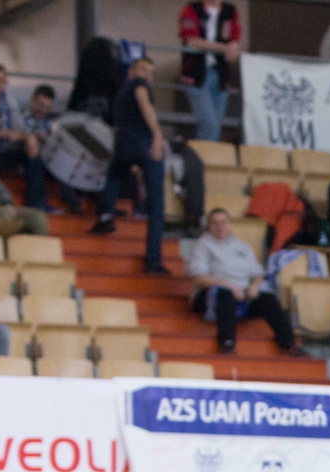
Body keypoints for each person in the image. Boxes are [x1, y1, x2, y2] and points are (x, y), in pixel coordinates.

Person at [90, 55, 166, 272]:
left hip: (123, 145)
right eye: (143, 70)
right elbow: (145, 105)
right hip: (145, 144)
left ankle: (105, 216)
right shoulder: (139, 85)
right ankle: (153, 260)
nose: (147, 76)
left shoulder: (119, 96)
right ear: (131, 72)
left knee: (113, 174)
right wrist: (158, 136)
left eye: (150, 72)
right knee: (156, 204)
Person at [186, 208, 297, 354]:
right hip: (212, 294)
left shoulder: (243, 247)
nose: (220, 226)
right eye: (215, 223)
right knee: (225, 294)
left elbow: (257, 273)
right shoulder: (202, 245)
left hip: (242, 294)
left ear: (230, 225)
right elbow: (200, 278)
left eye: (223, 222)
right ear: (209, 226)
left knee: (269, 299)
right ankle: (227, 344)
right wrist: (229, 286)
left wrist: (254, 286)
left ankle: (289, 344)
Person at [0, 66, 47, 212]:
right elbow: (9, 133)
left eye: (0, 81)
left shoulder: (9, 100)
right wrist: (4, 134)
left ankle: (35, 206)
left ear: (5, 82)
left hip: (2, 151)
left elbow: (20, 129)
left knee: (33, 152)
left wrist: (29, 137)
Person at [177, 0, 240, 143]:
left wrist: (233, 46)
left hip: (221, 76)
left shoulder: (230, 11)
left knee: (215, 127)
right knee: (209, 125)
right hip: (196, 75)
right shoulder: (191, 9)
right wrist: (224, 48)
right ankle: (203, 162)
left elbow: (235, 39)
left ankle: (205, 160)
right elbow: (192, 41)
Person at [22, 85, 75, 214]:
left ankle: (73, 202)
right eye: (40, 105)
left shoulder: (52, 125)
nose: (42, 110)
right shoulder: (21, 119)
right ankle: (39, 204)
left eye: (47, 107)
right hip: (26, 157)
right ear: (32, 100)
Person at [0, 161, 47, 236]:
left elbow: (2, 192)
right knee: (0, 214)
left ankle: (3, 225)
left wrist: (7, 203)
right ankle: (3, 226)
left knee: (38, 218)